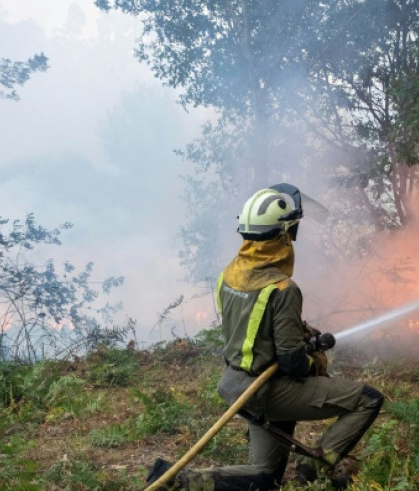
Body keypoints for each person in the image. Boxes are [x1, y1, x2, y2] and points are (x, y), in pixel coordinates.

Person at [147, 184, 385, 490]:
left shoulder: (230, 274)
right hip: (269, 390)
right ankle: (313, 470)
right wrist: (314, 358)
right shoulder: (283, 289)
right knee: (368, 399)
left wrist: (298, 336)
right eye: (292, 231)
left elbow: (254, 329)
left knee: (265, 477)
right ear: (283, 235)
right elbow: (292, 363)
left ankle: (181, 480)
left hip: (237, 386)